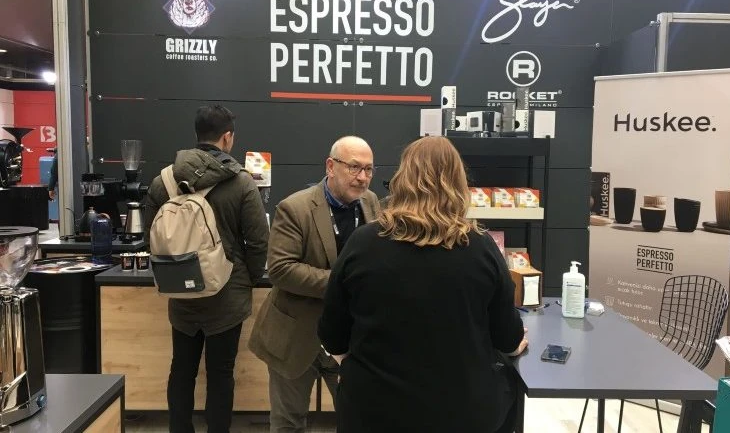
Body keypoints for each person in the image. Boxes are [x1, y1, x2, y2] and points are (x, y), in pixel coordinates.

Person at [318, 136, 528, 433]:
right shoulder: (481, 247)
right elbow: (507, 338)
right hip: (462, 412)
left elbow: (332, 335)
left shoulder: (363, 243)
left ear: (403, 179)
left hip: (374, 411)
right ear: (458, 184)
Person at [143, 105, 269, 433]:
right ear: (227, 137)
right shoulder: (241, 183)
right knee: (221, 374)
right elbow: (258, 242)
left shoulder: (164, 181)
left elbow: (151, 236)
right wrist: (250, 279)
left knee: (181, 370)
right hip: (227, 295)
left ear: (197, 134)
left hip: (180, 291)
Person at [248, 136, 381, 433]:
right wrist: (342, 284)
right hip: (296, 336)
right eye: (354, 167)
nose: (362, 178)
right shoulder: (294, 208)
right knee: (288, 423)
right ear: (331, 166)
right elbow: (281, 269)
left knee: (359, 418)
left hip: (351, 338)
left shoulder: (371, 203)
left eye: (369, 170)